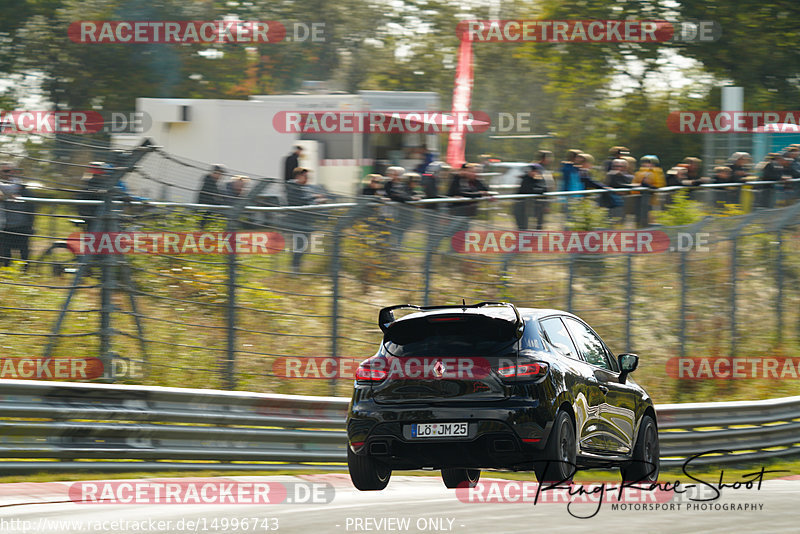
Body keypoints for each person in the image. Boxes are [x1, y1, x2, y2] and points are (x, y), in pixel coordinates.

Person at [285, 167, 324, 272]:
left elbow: (308, 202)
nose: (307, 178)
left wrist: (317, 201)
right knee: (299, 245)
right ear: (298, 176)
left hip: (306, 221)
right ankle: (294, 267)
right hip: (297, 222)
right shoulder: (292, 186)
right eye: (305, 176)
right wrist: (315, 197)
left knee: (303, 246)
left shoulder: (306, 188)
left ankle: (296, 267)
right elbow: (299, 200)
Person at [0, 164, 35, 270]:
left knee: (24, 253)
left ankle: (25, 272)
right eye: (6, 171)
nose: (10, 173)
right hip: (4, 227)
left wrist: (30, 225)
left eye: (11, 171)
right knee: (5, 255)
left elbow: (31, 208)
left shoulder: (22, 189)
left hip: (22, 226)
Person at [513, 164, 547, 230]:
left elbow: (543, 188)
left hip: (535, 206)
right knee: (522, 226)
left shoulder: (539, 178)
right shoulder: (526, 179)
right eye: (534, 171)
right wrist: (537, 190)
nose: (535, 173)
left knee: (538, 225)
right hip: (522, 206)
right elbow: (528, 189)